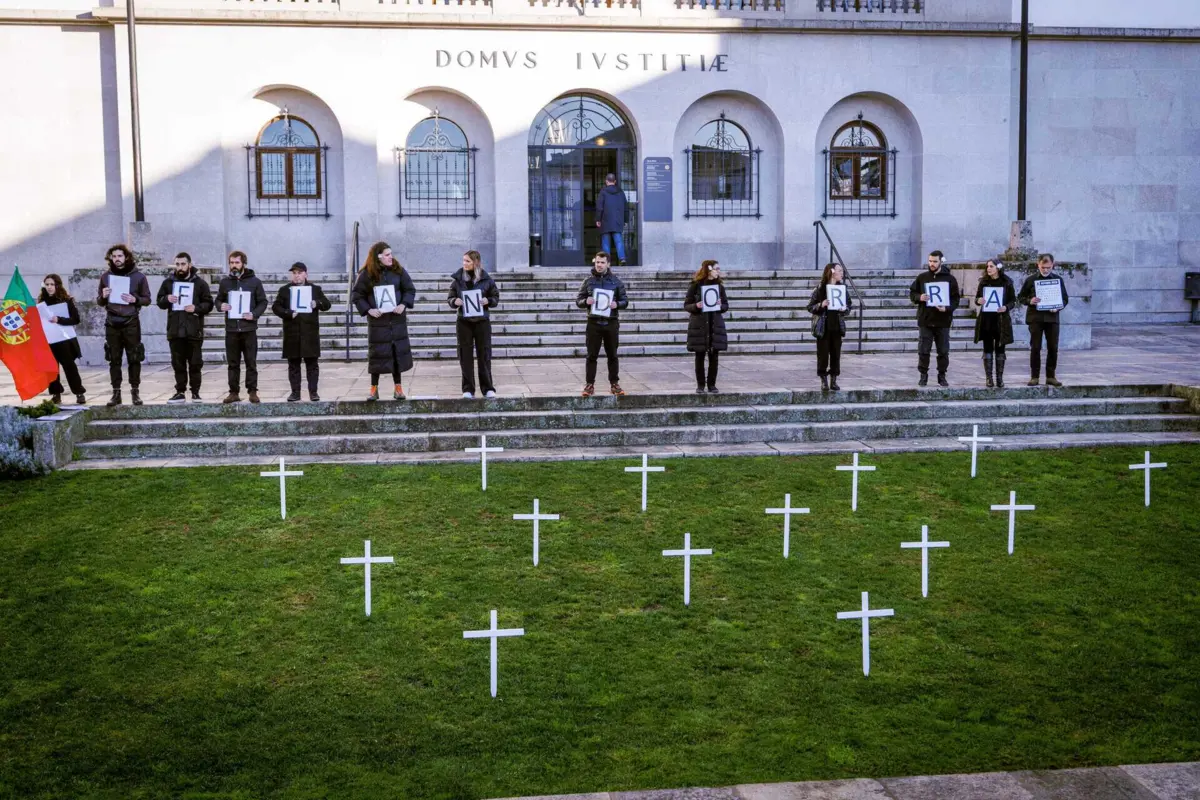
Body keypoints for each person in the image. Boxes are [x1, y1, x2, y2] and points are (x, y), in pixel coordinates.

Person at [351, 241, 416, 401]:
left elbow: (410, 289)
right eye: (387, 255)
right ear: (378, 257)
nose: (390, 257)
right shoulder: (366, 274)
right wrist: (368, 310)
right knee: (377, 355)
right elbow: (357, 295)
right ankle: (374, 389)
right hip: (378, 322)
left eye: (391, 254)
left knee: (396, 354)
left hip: (396, 321)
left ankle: (398, 388)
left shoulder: (398, 271)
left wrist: (403, 304)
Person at [96, 243, 151, 406]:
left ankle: (135, 392)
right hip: (112, 322)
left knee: (134, 358)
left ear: (126, 257)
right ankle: (116, 393)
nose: (117, 259)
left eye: (120, 256)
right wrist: (103, 296)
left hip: (131, 322)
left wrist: (135, 299)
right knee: (114, 359)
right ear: (110, 259)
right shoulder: (106, 277)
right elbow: (99, 301)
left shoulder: (138, 276)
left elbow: (147, 299)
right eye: (114, 256)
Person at [156, 252, 213, 403]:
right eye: (177, 264)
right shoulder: (168, 283)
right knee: (178, 364)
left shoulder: (200, 284)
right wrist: (166, 299)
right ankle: (180, 391)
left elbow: (209, 304)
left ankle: (195, 392)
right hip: (175, 331)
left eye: (183, 264)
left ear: (189, 265)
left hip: (193, 330)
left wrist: (196, 308)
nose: (180, 267)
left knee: (195, 363)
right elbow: (159, 301)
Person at [271, 261, 331, 402]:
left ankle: (313, 392)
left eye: (300, 273)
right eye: (294, 273)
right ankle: (295, 392)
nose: (297, 276)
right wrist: (288, 313)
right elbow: (276, 307)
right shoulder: (285, 290)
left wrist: (317, 303)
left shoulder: (315, 289)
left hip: (309, 332)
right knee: (293, 365)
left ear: (306, 274)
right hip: (292, 332)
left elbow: (327, 304)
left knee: (312, 365)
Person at [215, 250, 268, 404]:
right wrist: (221, 305)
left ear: (243, 263)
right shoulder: (225, 282)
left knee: (251, 362)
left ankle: (252, 391)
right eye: (231, 263)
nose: (234, 266)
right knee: (233, 363)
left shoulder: (254, 282)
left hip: (248, 328)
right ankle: (233, 392)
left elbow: (263, 302)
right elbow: (218, 300)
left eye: (237, 262)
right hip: (231, 329)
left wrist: (254, 314)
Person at [447, 250, 500, 399]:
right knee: (465, 356)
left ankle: (488, 388)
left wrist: (488, 301)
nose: (464, 264)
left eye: (467, 261)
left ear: (476, 262)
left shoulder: (487, 280)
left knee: (484, 355)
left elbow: (495, 296)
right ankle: (468, 389)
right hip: (464, 322)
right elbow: (450, 297)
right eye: (463, 260)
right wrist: (454, 301)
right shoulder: (457, 280)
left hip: (482, 322)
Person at [575, 250, 629, 397]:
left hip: (611, 322)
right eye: (597, 262)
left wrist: (616, 304)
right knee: (591, 356)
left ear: (608, 264)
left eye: (602, 262)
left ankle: (614, 384)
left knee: (613, 355)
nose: (599, 265)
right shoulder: (588, 281)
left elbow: (625, 301)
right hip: (593, 323)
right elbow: (578, 301)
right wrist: (585, 301)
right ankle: (589, 385)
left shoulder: (616, 282)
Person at [908, 250, 960, 387]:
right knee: (924, 350)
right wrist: (920, 297)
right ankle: (923, 375)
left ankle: (941, 375)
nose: (931, 264)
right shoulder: (922, 277)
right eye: (930, 261)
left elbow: (955, 299)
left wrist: (947, 308)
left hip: (943, 320)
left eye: (935, 261)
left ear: (941, 262)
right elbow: (913, 293)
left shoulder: (950, 279)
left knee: (943, 351)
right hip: (925, 320)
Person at [1018, 253, 1069, 387]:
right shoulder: (1030, 280)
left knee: (1053, 347)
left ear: (1052, 265)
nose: (1045, 270)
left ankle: (1050, 376)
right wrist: (1030, 301)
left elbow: (1065, 299)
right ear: (1038, 265)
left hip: (1052, 318)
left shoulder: (1058, 279)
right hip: (1036, 318)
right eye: (1043, 267)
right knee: (1035, 347)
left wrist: (1058, 307)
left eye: (1048, 267)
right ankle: (1034, 376)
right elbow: (1021, 297)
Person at [36, 274, 86, 405]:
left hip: (64, 340)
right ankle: (56, 394)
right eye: (47, 284)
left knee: (69, 366)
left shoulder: (66, 300)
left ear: (57, 285)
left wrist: (59, 319)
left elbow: (76, 319)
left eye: (52, 284)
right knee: (52, 368)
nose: (49, 287)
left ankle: (79, 392)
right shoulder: (41, 302)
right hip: (49, 340)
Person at [683, 259, 729, 394]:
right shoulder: (695, 285)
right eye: (717, 269)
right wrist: (696, 306)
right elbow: (686, 305)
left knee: (714, 356)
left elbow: (726, 305)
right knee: (700, 356)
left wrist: (721, 305)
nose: (719, 271)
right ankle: (700, 385)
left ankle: (712, 384)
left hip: (715, 324)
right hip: (700, 325)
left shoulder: (719, 286)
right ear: (709, 269)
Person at [807, 262, 853, 392]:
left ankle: (834, 379)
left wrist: (845, 309)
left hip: (837, 326)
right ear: (832, 272)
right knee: (823, 355)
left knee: (836, 354)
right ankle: (823, 380)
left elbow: (849, 305)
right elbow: (810, 307)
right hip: (823, 327)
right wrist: (821, 304)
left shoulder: (842, 288)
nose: (842, 273)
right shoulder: (821, 288)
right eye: (840, 271)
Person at [973, 259, 1015, 389]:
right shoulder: (983, 282)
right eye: (987, 266)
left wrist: (1006, 307)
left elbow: (1013, 301)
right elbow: (977, 298)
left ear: (998, 268)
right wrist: (978, 300)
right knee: (987, 347)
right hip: (987, 319)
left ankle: (999, 378)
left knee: (1000, 347)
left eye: (991, 266)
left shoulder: (1007, 282)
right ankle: (989, 378)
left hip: (1000, 319)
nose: (988, 269)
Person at [595, 173, 628, 266]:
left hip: (605, 220)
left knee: (606, 242)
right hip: (618, 221)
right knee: (618, 240)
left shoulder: (603, 192)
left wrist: (598, 219)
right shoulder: (621, 192)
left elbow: (599, 207)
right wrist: (625, 220)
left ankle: (607, 261)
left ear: (606, 181)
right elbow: (626, 207)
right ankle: (622, 258)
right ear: (615, 181)